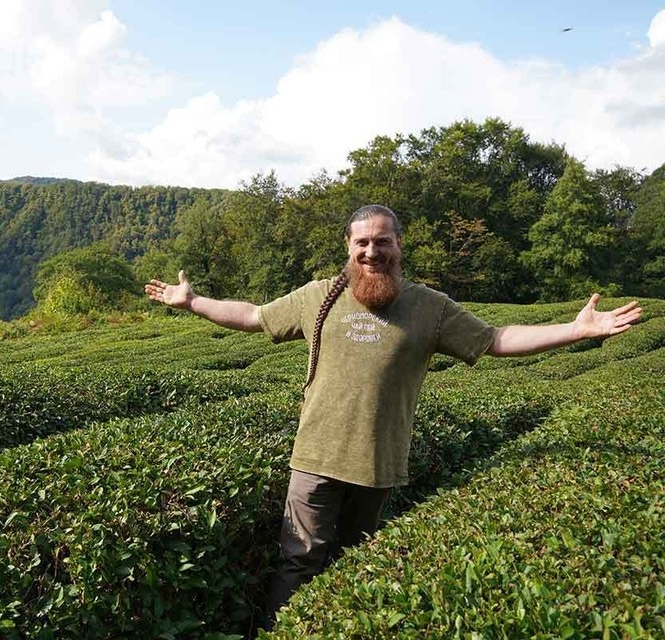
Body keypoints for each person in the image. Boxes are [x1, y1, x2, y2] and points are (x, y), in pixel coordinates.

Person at [144, 204, 643, 627]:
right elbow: (253, 316)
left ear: (399, 245)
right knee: (298, 561)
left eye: (382, 242)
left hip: (379, 462)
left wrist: (575, 331)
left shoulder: (431, 307)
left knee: (355, 560)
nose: (371, 252)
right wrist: (192, 302)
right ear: (347, 245)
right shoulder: (319, 295)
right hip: (316, 456)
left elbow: (495, 340)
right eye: (362, 242)